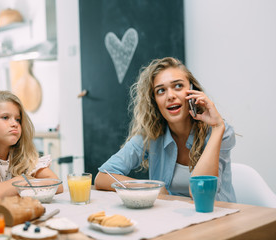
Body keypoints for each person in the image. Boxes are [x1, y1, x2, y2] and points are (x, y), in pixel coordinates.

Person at [94, 57, 236, 202]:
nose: (170, 96)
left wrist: (218, 128)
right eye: (161, 90)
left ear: (192, 91)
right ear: (154, 101)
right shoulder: (151, 135)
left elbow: (201, 193)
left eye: (178, 86)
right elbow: (103, 176)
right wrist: (149, 187)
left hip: (217, 217)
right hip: (171, 218)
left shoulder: (220, 133)